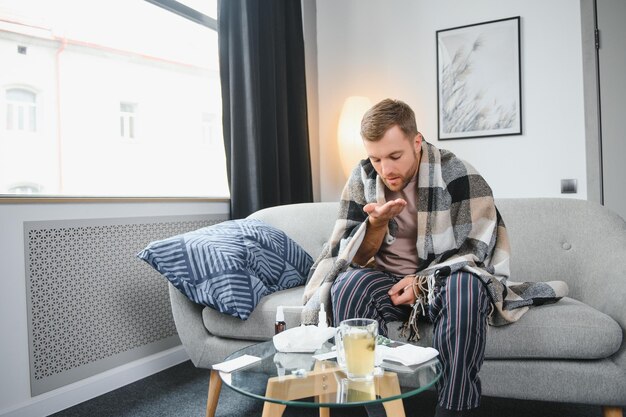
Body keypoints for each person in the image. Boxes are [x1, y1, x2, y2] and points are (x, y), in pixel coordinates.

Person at [301, 98, 566, 417]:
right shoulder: (363, 177)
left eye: (395, 156)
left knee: (466, 288)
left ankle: (453, 408)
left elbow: (476, 254)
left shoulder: (460, 174)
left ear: (416, 141)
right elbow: (351, 256)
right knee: (346, 286)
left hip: (444, 282)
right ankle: (376, 407)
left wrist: (423, 282)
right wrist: (376, 224)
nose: (385, 169)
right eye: (376, 158)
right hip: (388, 286)